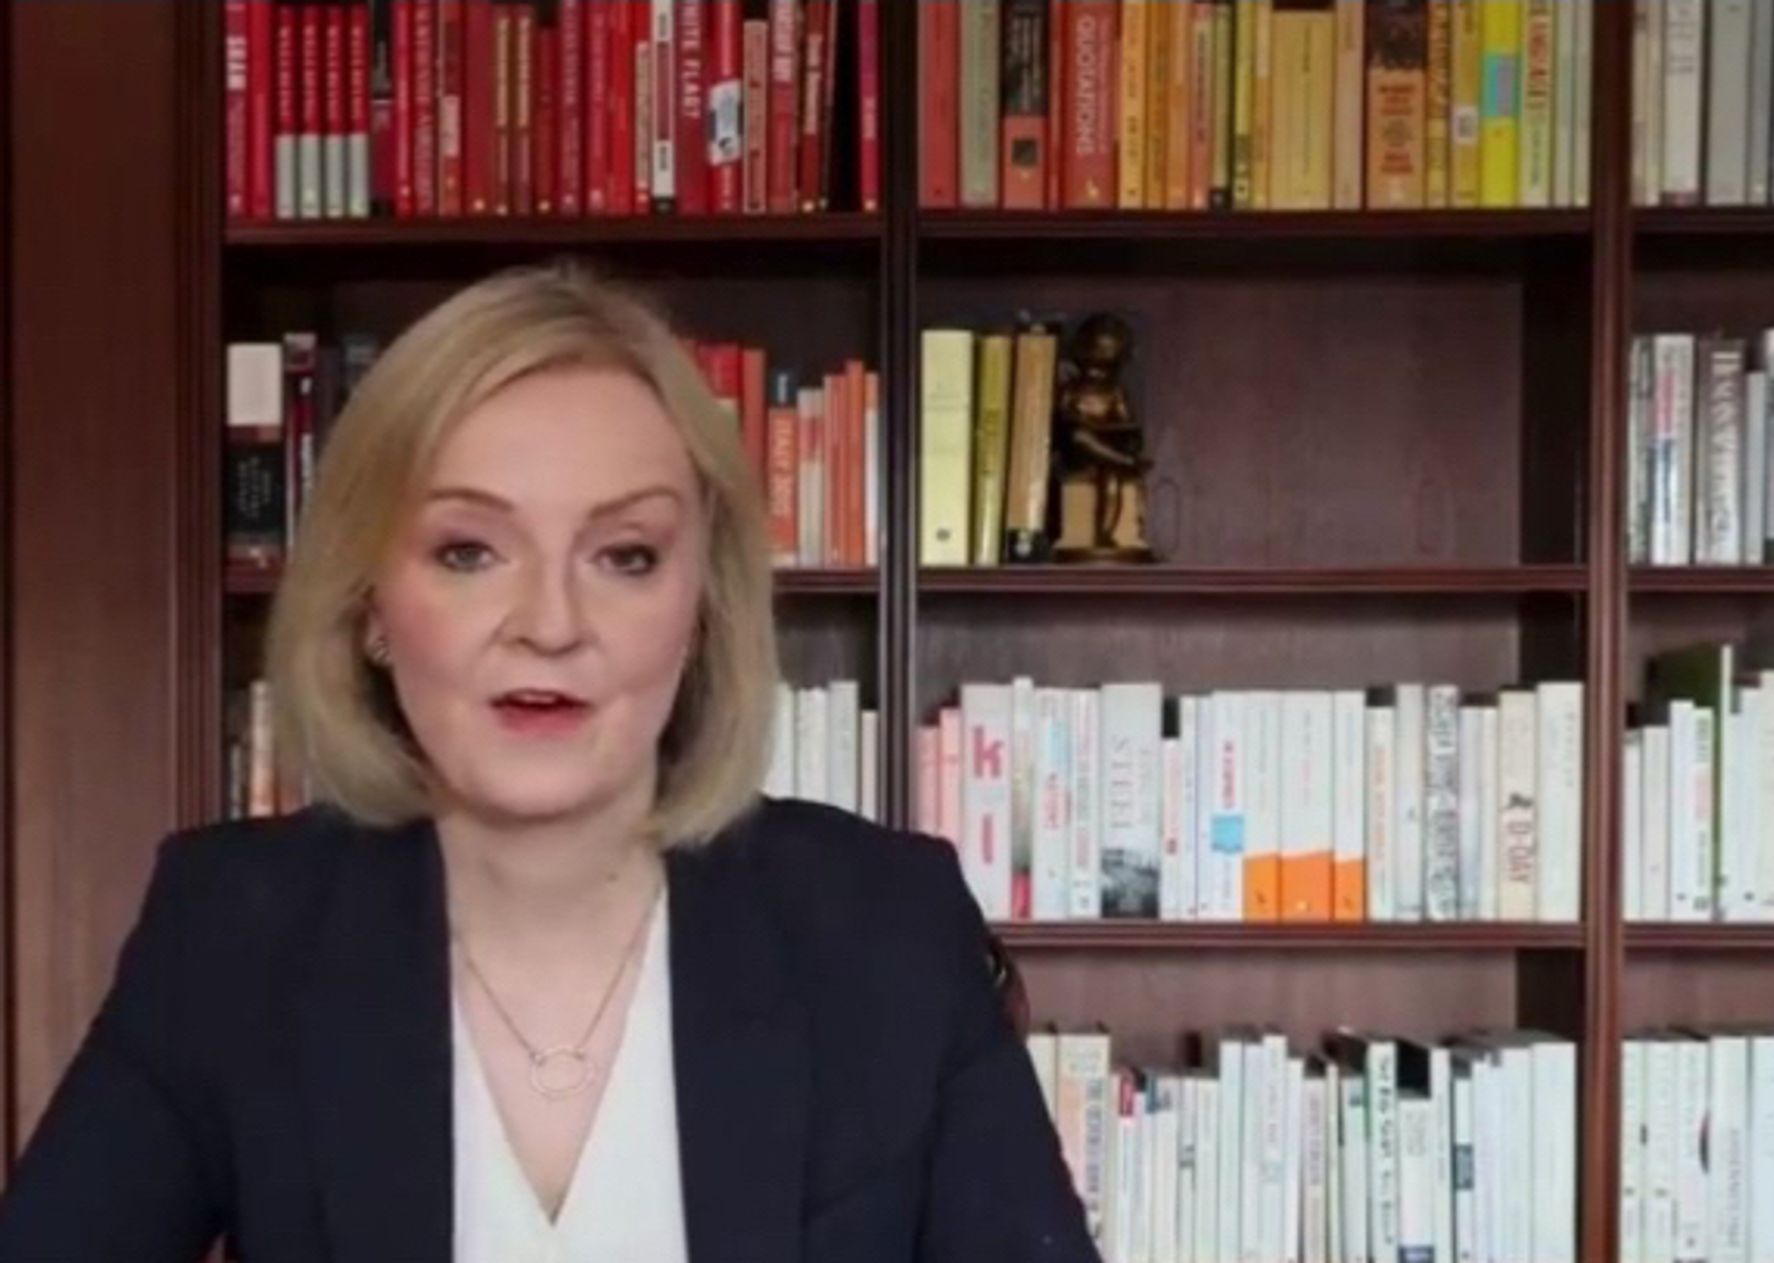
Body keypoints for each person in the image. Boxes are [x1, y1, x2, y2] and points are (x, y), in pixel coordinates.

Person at [0, 264, 1099, 1262]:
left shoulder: (884, 927)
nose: (550, 622)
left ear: (701, 610)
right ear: (370, 604)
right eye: (469, 551)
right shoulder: (233, 931)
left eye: (624, 556)